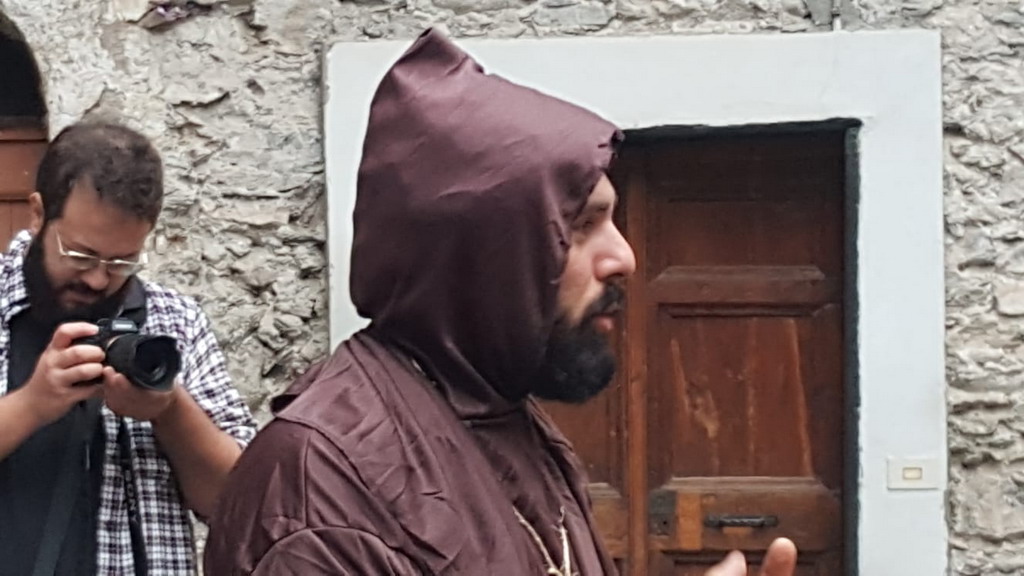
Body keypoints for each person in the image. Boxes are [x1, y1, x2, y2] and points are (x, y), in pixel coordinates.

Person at [203, 28, 797, 576]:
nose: (625, 257)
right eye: (582, 226)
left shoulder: (505, 414)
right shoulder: (322, 483)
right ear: (482, 250)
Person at [0, 121, 257, 575]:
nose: (99, 278)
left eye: (122, 261)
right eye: (81, 255)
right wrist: (33, 404)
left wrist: (169, 409)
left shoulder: (176, 321)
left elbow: (238, 504)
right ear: (37, 214)